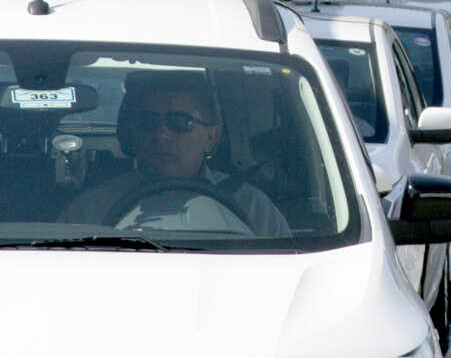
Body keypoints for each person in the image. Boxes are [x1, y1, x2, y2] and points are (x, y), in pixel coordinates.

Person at [59, 72, 291, 237]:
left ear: (212, 136)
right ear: (133, 133)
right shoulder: (91, 210)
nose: (161, 135)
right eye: (148, 122)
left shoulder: (252, 207)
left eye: (179, 122)